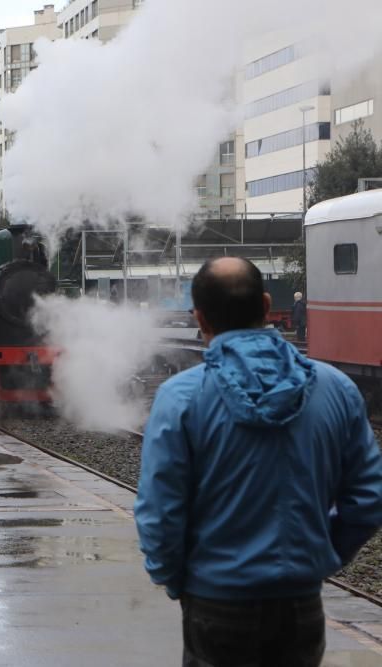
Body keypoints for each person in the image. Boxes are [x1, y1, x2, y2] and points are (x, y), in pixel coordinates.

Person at [135, 257, 382, 667]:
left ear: (200, 317)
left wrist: (177, 579)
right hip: (299, 604)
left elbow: (160, 510)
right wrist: (321, 557)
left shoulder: (181, 398)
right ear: (267, 306)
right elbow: (369, 496)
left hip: (214, 601)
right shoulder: (336, 388)